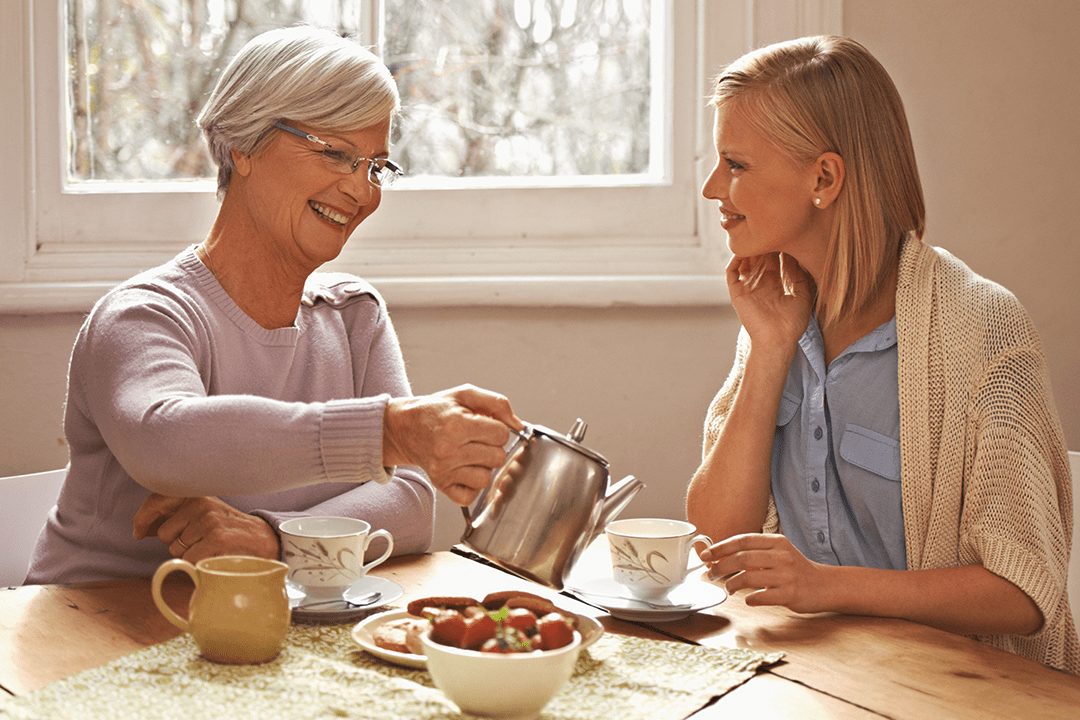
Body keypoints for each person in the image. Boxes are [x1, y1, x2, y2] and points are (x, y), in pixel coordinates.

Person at [27, 26, 523, 585]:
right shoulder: (144, 315)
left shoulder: (355, 316)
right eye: (336, 154)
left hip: (246, 631)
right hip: (86, 631)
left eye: (376, 166)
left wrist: (275, 538)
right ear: (244, 144)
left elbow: (411, 504)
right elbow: (167, 443)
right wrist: (390, 433)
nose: (362, 193)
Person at [685, 35, 1078, 674]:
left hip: (964, 690)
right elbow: (717, 539)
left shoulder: (982, 331)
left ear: (824, 177)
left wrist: (824, 587)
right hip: (808, 679)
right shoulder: (779, 319)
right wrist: (770, 349)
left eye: (735, 164)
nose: (710, 188)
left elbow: (1024, 590)